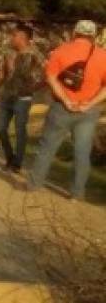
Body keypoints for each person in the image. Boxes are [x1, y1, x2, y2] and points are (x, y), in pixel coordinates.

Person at [26, 20, 106, 202]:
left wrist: (66, 100)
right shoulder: (103, 55)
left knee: (47, 149)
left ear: (74, 32)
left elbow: (51, 78)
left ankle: (34, 186)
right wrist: (89, 103)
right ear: (93, 35)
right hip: (88, 111)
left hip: (61, 108)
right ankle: (76, 194)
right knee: (82, 152)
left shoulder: (61, 51)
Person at [0, 24, 43, 173]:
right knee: (1, 129)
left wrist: (32, 89)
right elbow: (3, 74)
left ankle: (17, 163)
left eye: (14, 36)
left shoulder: (35, 55)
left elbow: (47, 75)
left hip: (23, 98)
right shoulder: (9, 53)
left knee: (20, 130)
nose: (11, 38)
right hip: (7, 96)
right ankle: (10, 157)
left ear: (22, 37)